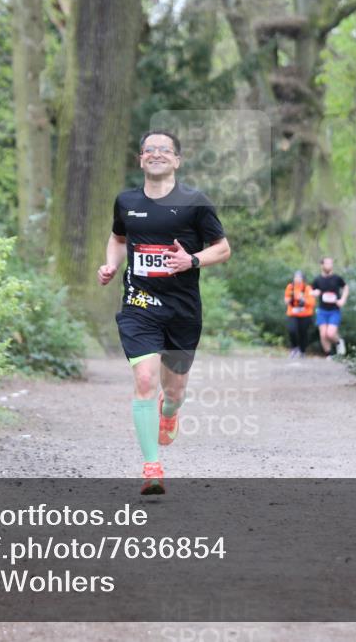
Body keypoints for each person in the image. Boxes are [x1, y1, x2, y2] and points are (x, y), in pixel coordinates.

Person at [97, 131, 231, 495]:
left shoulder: (195, 203)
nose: (156, 154)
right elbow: (118, 238)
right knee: (144, 380)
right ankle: (151, 466)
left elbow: (222, 249)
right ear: (140, 160)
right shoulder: (126, 202)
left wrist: (192, 260)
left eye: (164, 150)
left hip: (182, 311)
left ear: (176, 160)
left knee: (174, 390)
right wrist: (111, 265)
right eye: (149, 150)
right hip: (140, 305)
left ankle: (169, 412)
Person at [310, 256, 349, 357]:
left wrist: (343, 300)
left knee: (330, 334)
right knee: (323, 334)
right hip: (322, 310)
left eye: (331, 263)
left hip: (334, 310)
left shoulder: (337, 278)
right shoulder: (317, 279)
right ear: (322, 265)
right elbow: (310, 291)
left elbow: (346, 287)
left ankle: (338, 342)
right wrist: (314, 293)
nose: (329, 265)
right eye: (327, 263)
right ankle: (329, 355)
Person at [284, 270, 315, 358]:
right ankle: (294, 348)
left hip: (305, 314)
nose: (297, 279)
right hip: (293, 313)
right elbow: (286, 300)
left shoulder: (307, 288)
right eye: (295, 277)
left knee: (303, 333)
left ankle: (302, 351)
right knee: (292, 330)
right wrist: (291, 298)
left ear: (303, 279)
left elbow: (312, 303)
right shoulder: (290, 287)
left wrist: (302, 299)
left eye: (299, 277)